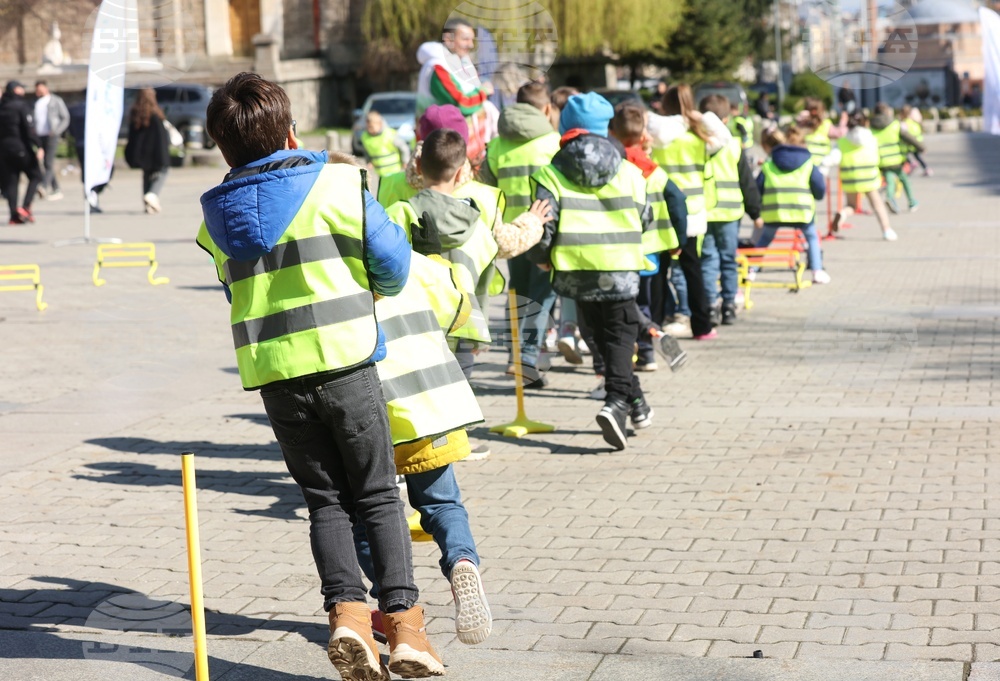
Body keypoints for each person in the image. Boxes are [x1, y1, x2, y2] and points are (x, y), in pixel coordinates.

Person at [195, 72, 443, 680]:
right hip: (348, 360)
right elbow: (394, 264)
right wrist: (367, 294)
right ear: (289, 130)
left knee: (325, 501)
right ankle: (406, 628)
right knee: (379, 494)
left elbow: (233, 285)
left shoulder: (212, 220)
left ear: (224, 147)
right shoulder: (339, 186)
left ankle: (347, 617)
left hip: (277, 376)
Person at [527, 92, 654, 450]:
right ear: (607, 129)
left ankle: (636, 402)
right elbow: (645, 219)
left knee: (597, 334)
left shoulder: (549, 173)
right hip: (620, 268)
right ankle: (615, 402)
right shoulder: (631, 172)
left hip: (574, 270)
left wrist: (542, 257)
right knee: (620, 335)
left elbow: (542, 224)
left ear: (566, 128)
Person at [479, 81, 562, 383]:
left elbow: (485, 189)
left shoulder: (498, 144)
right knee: (542, 296)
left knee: (519, 295)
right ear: (546, 109)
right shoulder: (553, 142)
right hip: (543, 232)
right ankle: (526, 359)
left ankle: (519, 358)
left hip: (511, 234)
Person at [649, 84, 734, 341]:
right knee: (692, 268)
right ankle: (702, 325)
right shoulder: (699, 137)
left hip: (661, 211)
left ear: (665, 105)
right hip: (693, 212)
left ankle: (655, 322)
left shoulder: (658, 138)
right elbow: (725, 138)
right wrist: (702, 118)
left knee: (658, 271)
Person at [608, 101, 681, 371]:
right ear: (642, 135)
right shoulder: (652, 169)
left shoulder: (611, 163)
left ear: (612, 133)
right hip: (651, 249)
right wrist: (678, 241)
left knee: (624, 307)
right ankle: (648, 353)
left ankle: (625, 355)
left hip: (620, 251)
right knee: (648, 303)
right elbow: (676, 201)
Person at [699, 94, 762, 325]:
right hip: (729, 213)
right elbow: (747, 182)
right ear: (725, 120)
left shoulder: (696, 144)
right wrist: (755, 213)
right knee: (728, 259)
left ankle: (710, 306)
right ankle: (728, 306)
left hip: (703, 213)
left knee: (707, 260)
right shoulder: (734, 146)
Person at [755, 125, 830, 284]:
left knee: (765, 238)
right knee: (811, 237)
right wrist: (818, 196)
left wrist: (758, 205)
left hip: (775, 211)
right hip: (801, 211)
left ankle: (751, 269)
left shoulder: (768, 164)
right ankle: (817, 270)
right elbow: (819, 187)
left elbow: (758, 187)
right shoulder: (808, 163)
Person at [416, 18, 494, 163]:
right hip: (444, 148)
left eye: (472, 40)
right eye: (465, 39)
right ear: (448, 39)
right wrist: (483, 92)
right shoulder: (438, 67)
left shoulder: (459, 62)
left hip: (460, 145)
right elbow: (461, 103)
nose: (470, 45)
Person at [831, 111, 897, 241]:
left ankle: (843, 213)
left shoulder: (843, 141)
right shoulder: (871, 139)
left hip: (850, 177)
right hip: (869, 177)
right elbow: (878, 156)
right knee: (877, 204)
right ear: (866, 123)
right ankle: (887, 230)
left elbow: (834, 157)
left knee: (851, 205)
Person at [0, 81, 44, 224]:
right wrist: (38, 145)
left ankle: (14, 216)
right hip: (21, 148)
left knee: (12, 182)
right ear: (16, 90)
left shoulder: (2, 106)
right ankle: (25, 207)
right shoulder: (21, 106)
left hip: (4, 151)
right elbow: (29, 129)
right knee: (36, 175)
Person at [124, 88, 171, 214]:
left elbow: (132, 138)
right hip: (156, 153)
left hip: (142, 155)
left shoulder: (136, 116)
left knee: (146, 176)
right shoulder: (156, 115)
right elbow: (161, 138)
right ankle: (152, 194)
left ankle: (148, 205)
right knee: (162, 173)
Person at [871, 102, 923, 214]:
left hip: (882, 160)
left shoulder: (872, 127)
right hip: (896, 158)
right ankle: (911, 201)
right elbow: (908, 137)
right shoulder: (894, 124)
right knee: (904, 179)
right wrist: (921, 147)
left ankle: (890, 197)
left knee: (890, 180)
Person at [67, 99, 111, 212]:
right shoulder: (98, 109)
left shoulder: (74, 110)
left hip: (80, 144)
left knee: (88, 173)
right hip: (93, 145)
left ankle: (91, 195)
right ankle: (92, 195)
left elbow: (70, 129)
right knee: (100, 170)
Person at [33, 80, 69, 201]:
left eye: (41, 88)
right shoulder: (37, 103)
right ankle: (56, 188)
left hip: (51, 135)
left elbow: (65, 117)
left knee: (48, 162)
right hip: (40, 135)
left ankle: (43, 186)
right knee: (44, 162)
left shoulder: (55, 100)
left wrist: (57, 131)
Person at [360, 111, 410, 177]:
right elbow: (366, 151)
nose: (369, 129)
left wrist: (405, 161)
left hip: (394, 170)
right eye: (368, 127)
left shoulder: (389, 134)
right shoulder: (365, 137)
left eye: (371, 127)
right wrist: (369, 161)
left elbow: (404, 148)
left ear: (380, 124)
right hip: (380, 172)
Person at [901, 105, 932, 176]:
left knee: (904, 156)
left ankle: (911, 164)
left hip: (909, 144)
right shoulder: (914, 122)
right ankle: (926, 168)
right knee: (917, 157)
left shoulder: (904, 124)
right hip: (918, 143)